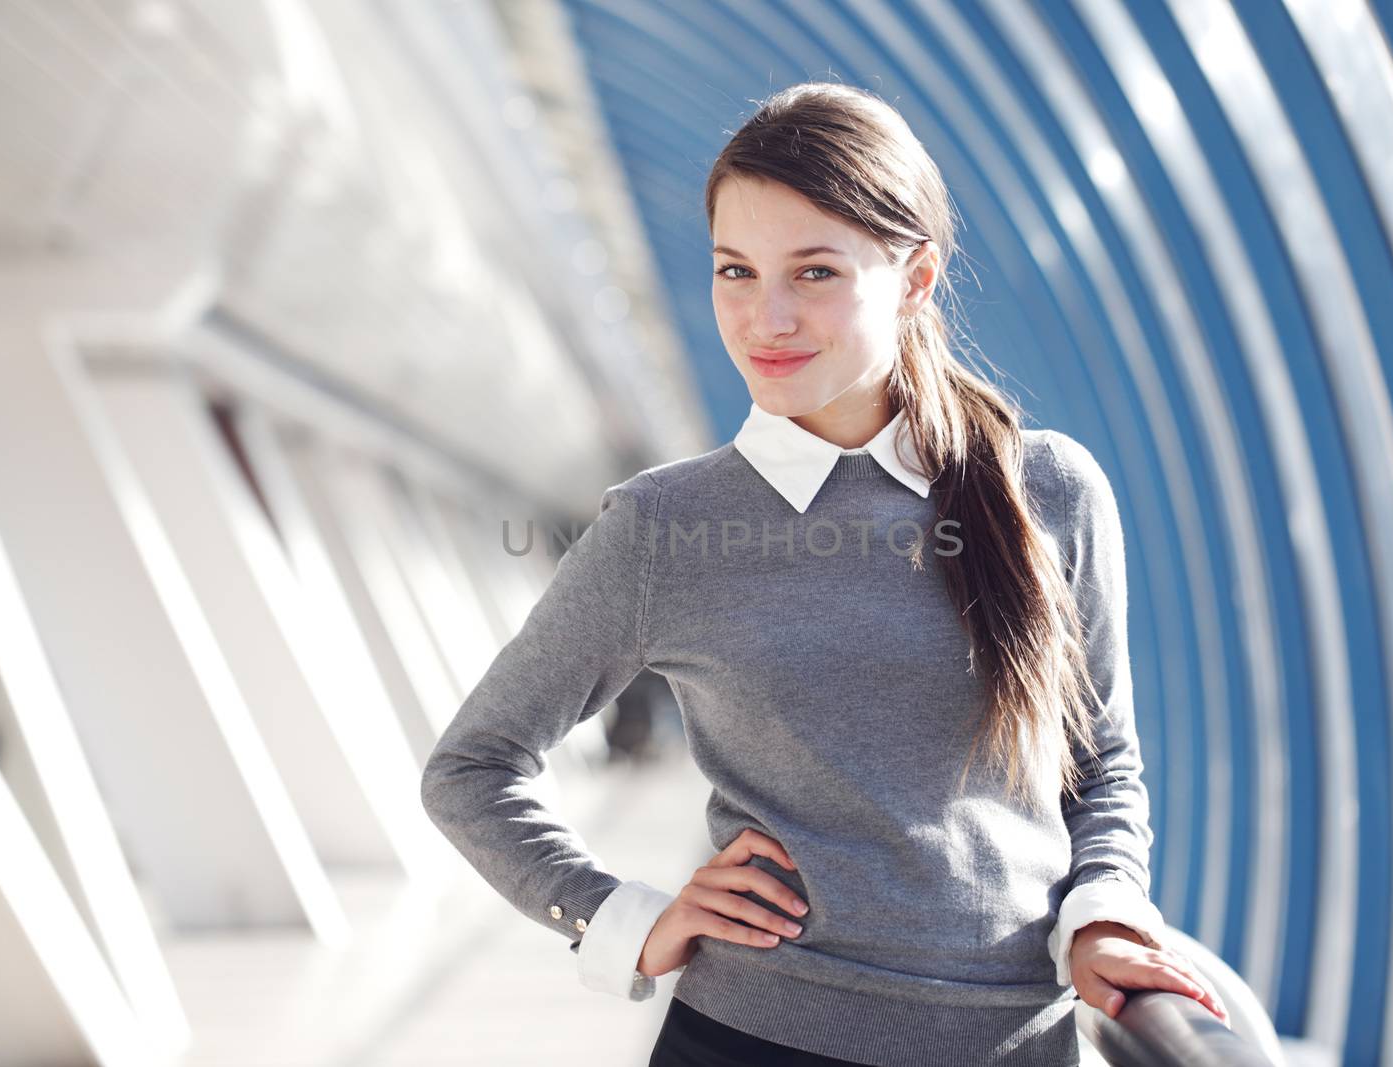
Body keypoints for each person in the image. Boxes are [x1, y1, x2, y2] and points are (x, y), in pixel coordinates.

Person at [421, 81, 1228, 1066]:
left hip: (1016, 1044)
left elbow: (1100, 761)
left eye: (813, 271)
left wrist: (1103, 910)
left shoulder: (1047, 490)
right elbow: (471, 765)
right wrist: (619, 916)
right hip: (753, 1039)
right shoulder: (662, 526)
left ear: (916, 277)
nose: (766, 317)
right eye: (734, 270)